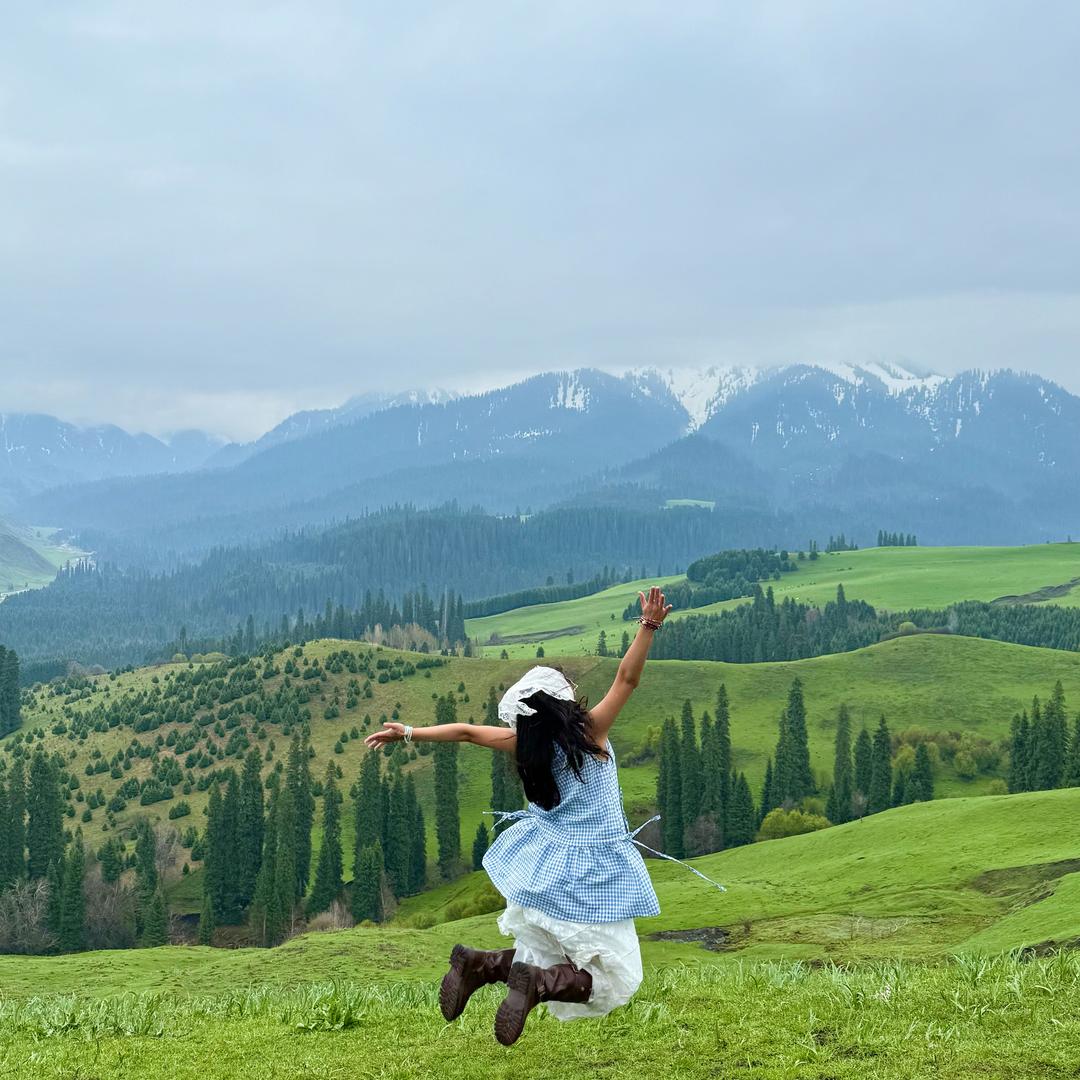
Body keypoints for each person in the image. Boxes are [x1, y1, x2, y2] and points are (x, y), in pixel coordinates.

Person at [364, 586, 674, 1045]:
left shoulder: (525, 747)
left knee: (543, 952)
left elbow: (468, 733)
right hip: (592, 873)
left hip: (546, 867)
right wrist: (648, 626)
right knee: (617, 977)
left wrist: (409, 732)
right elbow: (626, 681)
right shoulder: (590, 734)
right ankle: (536, 987)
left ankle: (479, 965)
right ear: (564, 701)